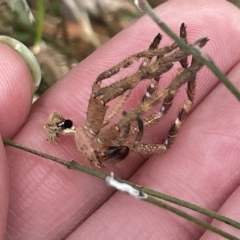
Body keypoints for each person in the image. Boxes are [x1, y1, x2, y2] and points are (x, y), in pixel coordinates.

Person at [1, 0, 240, 239]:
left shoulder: (115, 135)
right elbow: (108, 89)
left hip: (103, 143)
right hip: (97, 140)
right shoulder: (89, 129)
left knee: (144, 111)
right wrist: (150, 60)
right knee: (116, 97)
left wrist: (173, 77)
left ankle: (175, 63)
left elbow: (160, 135)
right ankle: (166, 59)